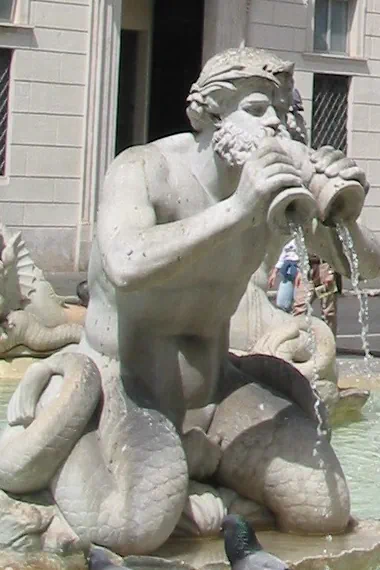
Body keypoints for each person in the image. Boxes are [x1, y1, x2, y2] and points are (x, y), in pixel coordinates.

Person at [293, 253, 338, 337]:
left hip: (325, 267)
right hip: (307, 267)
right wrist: (299, 270)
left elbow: (334, 247)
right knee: (299, 309)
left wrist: (331, 272)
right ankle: (299, 341)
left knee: (328, 312)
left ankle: (328, 342)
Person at [268, 237, 299, 312]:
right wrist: (274, 272)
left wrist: (301, 271)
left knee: (299, 305)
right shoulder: (288, 235)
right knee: (282, 304)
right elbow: (283, 254)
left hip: (303, 269)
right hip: (288, 270)